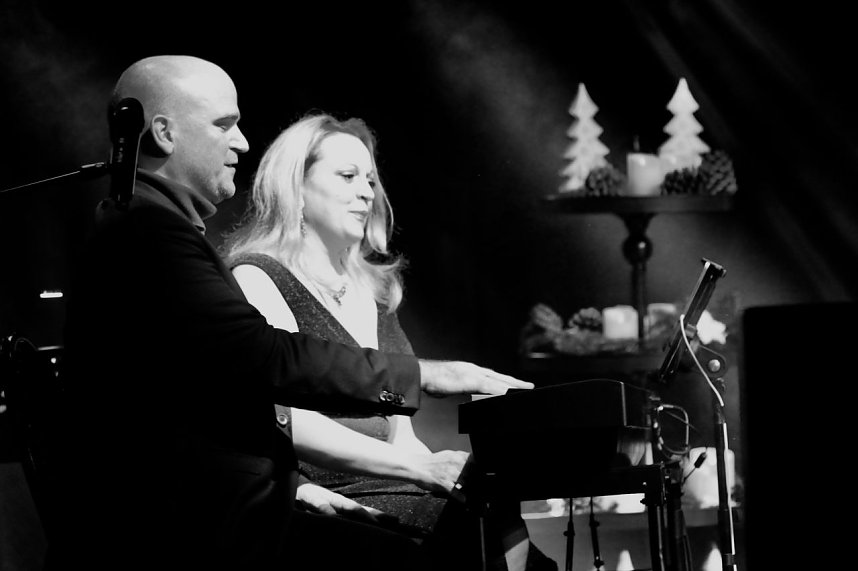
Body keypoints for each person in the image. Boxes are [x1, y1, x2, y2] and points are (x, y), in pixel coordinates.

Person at [51, 55, 533, 571]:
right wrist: (427, 378)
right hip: (195, 527)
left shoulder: (151, 225)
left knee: (478, 522)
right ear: (164, 133)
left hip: (232, 506)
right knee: (426, 551)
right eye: (224, 125)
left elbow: (221, 387)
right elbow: (265, 360)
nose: (241, 143)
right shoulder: (149, 231)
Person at [220, 113, 557, 571]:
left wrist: (443, 469)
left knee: (491, 509)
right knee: (461, 537)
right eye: (348, 176)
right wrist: (423, 471)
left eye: (371, 180)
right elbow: (287, 421)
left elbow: (402, 434)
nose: (366, 191)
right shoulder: (258, 277)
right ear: (296, 187)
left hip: (394, 484)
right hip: (317, 494)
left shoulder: (371, 292)